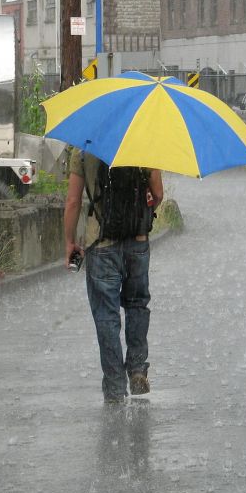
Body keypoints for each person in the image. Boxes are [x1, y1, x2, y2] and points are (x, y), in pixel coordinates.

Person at [64, 149, 163, 404]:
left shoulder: (83, 149)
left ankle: (115, 387)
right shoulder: (143, 143)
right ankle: (138, 368)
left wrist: (69, 242)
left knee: (107, 317)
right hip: (138, 240)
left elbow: (73, 201)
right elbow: (159, 194)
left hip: (102, 243)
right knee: (137, 304)